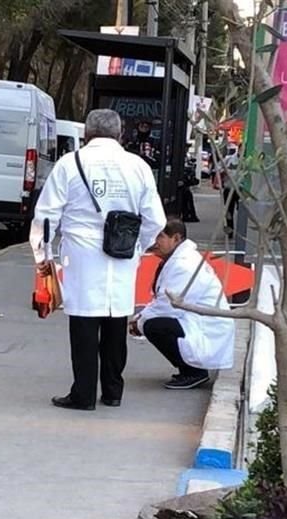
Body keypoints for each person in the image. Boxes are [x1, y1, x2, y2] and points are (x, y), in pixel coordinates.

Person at [31, 109, 166, 411]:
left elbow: (46, 216)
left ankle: (83, 393)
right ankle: (113, 391)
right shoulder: (138, 167)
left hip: (81, 254)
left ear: (86, 134)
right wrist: (137, 246)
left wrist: (43, 256)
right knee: (117, 321)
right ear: (120, 135)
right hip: (122, 252)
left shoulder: (69, 164)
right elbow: (155, 220)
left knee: (83, 324)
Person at [131, 220, 235, 389]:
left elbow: (169, 304)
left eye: (160, 236)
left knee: (154, 326)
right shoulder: (177, 259)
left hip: (205, 328)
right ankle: (189, 369)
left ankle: (193, 372)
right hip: (195, 320)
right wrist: (140, 318)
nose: (154, 241)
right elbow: (162, 299)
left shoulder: (184, 264)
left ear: (176, 238)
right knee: (150, 323)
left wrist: (140, 322)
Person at [214, 144, 240, 236]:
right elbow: (217, 168)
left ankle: (242, 231)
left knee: (242, 211)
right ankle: (230, 230)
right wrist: (223, 171)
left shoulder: (247, 160)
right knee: (229, 211)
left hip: (241, 189)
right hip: (229, 188)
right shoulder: (229, 159)